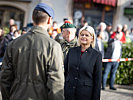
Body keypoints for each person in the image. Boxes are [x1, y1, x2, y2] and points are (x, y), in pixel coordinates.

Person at [0, 3, 64, 100]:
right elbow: (56, 83)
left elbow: (5, 78)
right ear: (50, 20)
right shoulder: (53, 46)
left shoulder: (13, 44)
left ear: (33, 18)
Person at [64, 26, 102, 100]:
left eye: (87, 35)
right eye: (82, 34)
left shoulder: (96, 55)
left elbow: (97, 80)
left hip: (85, 95)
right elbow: (65, 72)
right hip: (69, 93)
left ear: (92, 38)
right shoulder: (71, 51)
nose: (83, 37)